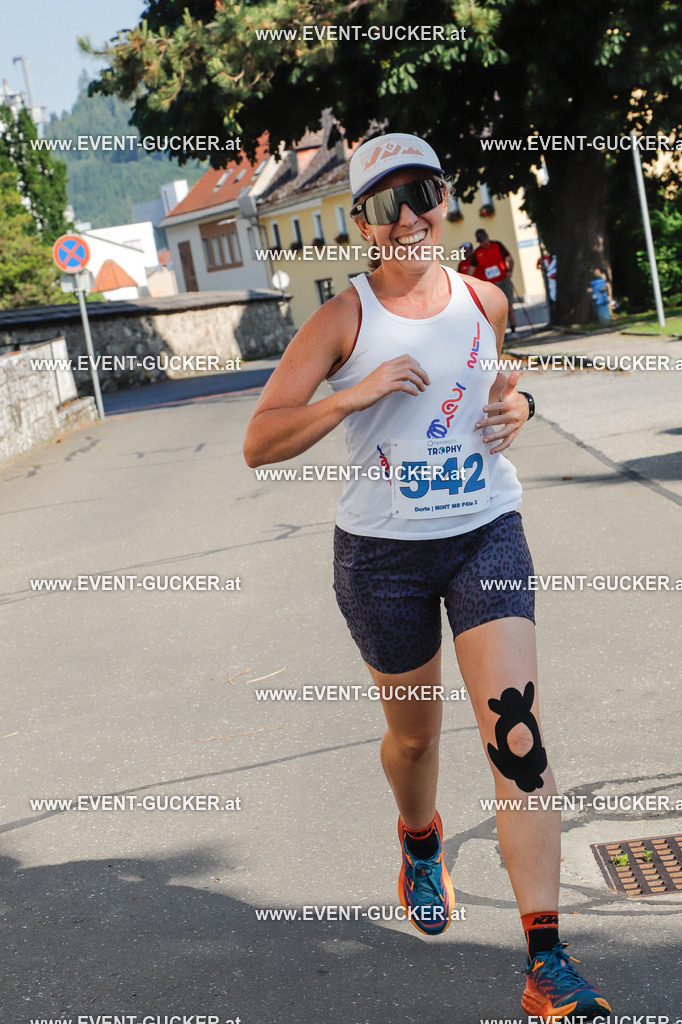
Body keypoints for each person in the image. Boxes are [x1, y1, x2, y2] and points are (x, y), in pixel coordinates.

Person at [243, 132, 611, 1020]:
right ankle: (419, 838)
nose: (409, 216)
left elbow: (499, 381)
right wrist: (350, 397)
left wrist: (522, 404)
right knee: (414, 741)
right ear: (363, 224)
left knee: (516, 739)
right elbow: (260, 441)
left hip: (486, 532)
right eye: (385, 204)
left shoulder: (485, 299)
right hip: (382, 557)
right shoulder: (342, 322)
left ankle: (547, 964)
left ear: (444, 200)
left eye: (424, 194)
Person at [474, 227, 517, 333]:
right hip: (491, 285)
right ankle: (501, 333)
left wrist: (509, 270)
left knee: (509, 307)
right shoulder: (477, 252)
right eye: (480, 241)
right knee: (496, 310)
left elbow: (510, 259)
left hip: (503, 280)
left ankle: (513, 329)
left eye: (483, 239)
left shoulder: (497, 245)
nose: (482, 243)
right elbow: (471, 270)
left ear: (487, 237)